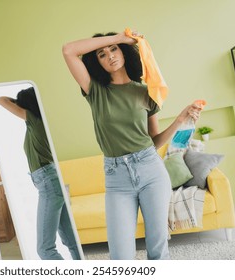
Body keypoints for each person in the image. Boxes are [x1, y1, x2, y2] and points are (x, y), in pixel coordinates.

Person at [62, 31, 201, 260]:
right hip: (117, 179)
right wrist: (118, 38)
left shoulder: (144, 92)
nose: (110, 56)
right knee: (120, 256)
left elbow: (154, 141)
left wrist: (179, 120)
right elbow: (68, 50)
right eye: (102, 54)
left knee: (157, 248)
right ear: (97, 62)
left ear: (124, 52)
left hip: (150, 169)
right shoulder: (95, 90)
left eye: (114, 49)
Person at [0, 87, 81, 260]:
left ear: (27, 105)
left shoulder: (34, 119)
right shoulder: (41, 121)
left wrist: (19, 102)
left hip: (49, 184)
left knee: (44, 249)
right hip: (54, 180)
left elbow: (1, 100)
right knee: (72, 242)